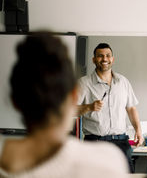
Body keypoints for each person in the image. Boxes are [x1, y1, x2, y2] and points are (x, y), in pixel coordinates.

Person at [0, 33, 128, 177]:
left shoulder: (4, 161)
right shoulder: (108, 161)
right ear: (74, 96)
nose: (104, 59)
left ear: (14, 102)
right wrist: (89, 107)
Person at [76, 43, 144, 173]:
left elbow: (131, 108)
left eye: (107, 56)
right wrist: (89, 107)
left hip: (121, 143)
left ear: (112, 59)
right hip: (95, 143)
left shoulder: (123, 82)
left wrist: (138, 131)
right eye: (100, 56)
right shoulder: (84, 83)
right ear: (94, 60)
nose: (104, 59)